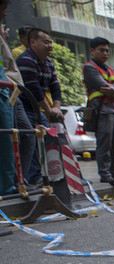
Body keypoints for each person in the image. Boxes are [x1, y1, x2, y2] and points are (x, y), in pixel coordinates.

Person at [16, 28, 63, 186]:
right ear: (33, 42)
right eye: (45, 42)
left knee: (46, 137)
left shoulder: (49, 62)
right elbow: (33, 90)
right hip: (22, 107)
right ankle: (28, 177)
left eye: (50, 42)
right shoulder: (25, 60)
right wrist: (49, 110)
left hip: (37, 110)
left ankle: (46, 175)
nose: (49, 45)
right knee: (30, 137)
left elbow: (56, 88)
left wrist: (56, 108)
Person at [82, 37, 114, 185]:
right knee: (105, 143)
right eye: (101, 50)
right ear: (92, 51)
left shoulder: (109, 68)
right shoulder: (90, 68)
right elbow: (105, 87)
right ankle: (105, 173)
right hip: (101, 110)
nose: (105, 53)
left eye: (107, 50)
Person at [0, 0, 34, 193]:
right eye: (2, 9)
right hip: (6, 93)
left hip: (11, 93)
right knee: (7, 140)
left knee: (24, 135)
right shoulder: (22, 54)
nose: (4, 14)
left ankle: (17, 180)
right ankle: (9, 184)